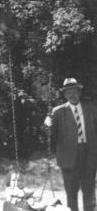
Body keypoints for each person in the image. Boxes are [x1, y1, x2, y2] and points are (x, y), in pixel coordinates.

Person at [44, 78, 97, 211]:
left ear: (79, 92)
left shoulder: (91, 109)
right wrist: (46, 124)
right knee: (71, 192)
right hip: (68, 156)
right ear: (64, 94)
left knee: (89, 190)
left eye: (74, 92)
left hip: (89, 154)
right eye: (68, 93)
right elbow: (50, 134)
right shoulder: (57, 112)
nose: (71, 95)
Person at [5, 170, 69, 211]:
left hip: (31, 206)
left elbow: (37, 195)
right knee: (48, 209)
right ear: (9, 181)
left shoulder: (24, 189)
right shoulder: (10, 189)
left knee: (58, 208)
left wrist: (33, 194)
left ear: (21, 182)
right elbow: (21, 194)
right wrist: (31, 192)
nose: (17, 182)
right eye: (13, 180)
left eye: (19, 180)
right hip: (20, 208)